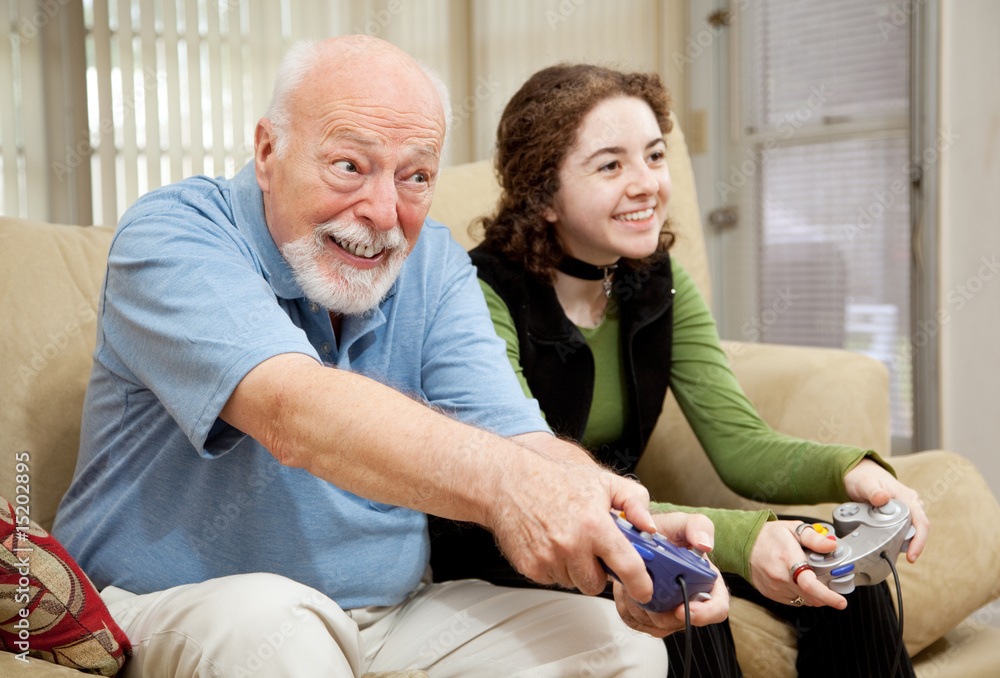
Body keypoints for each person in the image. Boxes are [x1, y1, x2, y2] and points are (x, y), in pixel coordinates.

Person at [51, 37, 731, 677]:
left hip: (390, 614)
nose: (382, 210)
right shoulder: (174, 235)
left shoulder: (432, 261)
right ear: (267, 151)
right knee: (271, 626)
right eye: (350, 165)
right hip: (179, 602)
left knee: (619, 649)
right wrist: (511, 489)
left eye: (415, 176)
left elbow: (515, 434)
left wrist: (610, 520)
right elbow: (293, 411)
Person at [428, 63, 930, 678]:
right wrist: (743, 541)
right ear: (543, 195)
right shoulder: (481, 294)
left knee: (842, 573)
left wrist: (856, 472)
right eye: (611, 165)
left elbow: (741, 444)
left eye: (655, 155)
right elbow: (534, 484)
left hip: (635, 524)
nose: (647, 184)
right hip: (520, 549)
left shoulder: (658, 282)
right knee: (685, 598)